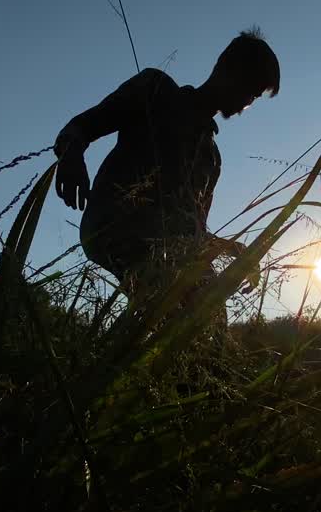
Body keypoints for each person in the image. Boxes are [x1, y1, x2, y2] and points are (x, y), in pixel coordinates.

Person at [53, 28, 280, 319]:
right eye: (250, 90)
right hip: (118, 226)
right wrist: (71, 154)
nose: (248, 102)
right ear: (226, 68)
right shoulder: (156, 90)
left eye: (255, 97)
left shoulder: (211, 159)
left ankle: (128, 355)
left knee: (211, 312)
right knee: (189, 305)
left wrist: (233, 249)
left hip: (168, 250)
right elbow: (82, 126)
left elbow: (192, 232)